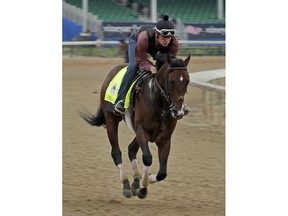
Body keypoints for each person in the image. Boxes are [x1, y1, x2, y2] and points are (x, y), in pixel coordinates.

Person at [114, 15, 190, 115]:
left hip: (155, 47)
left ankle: (175, 103)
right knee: (133, 67)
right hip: (137, 42)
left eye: (169, 37)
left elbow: (169, 64)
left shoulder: (174, 43)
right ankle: (120, 100)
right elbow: (141, 60)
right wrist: (150, 67)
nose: (167, 41)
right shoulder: (143, 38)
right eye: (164, 37)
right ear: (156, 35)